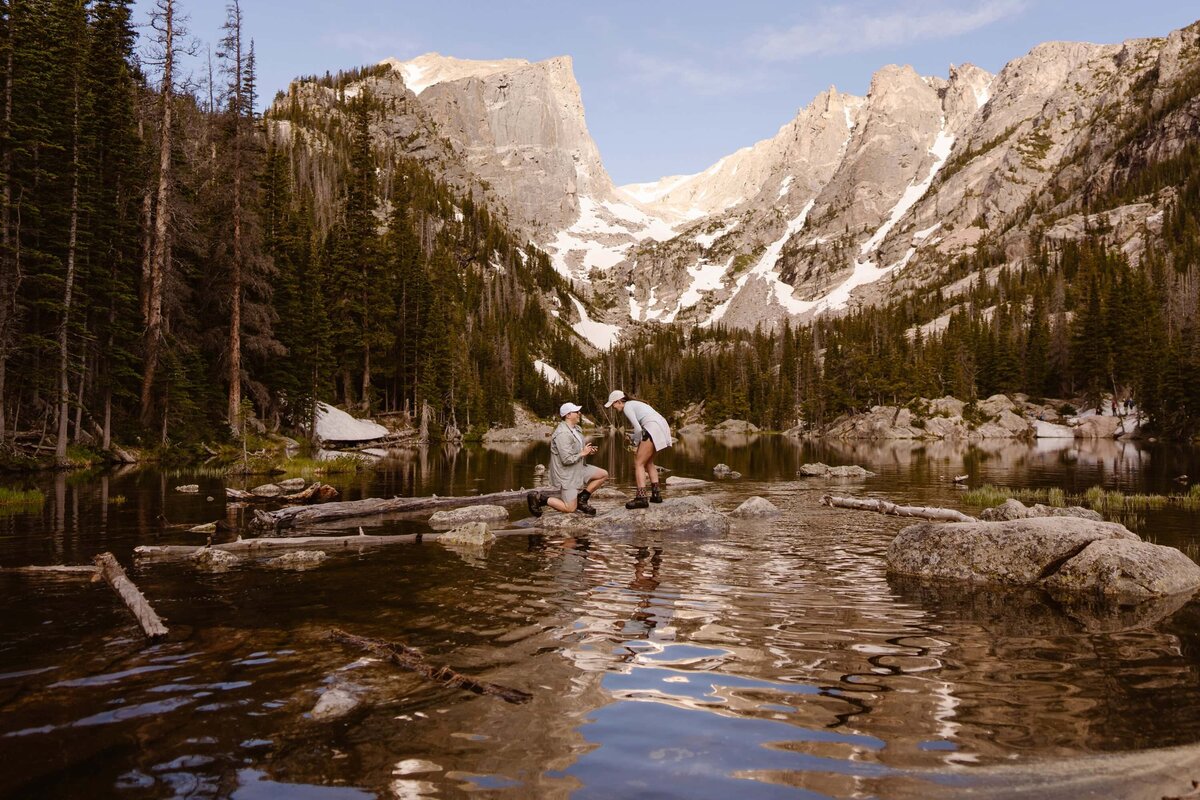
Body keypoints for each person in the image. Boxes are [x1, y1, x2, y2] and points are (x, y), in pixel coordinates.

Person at [527, 402, 608, 517]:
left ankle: (581, 500)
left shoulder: (577, 429)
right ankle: (540, 498)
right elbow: (566, 459)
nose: (579, 413)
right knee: (570, 508)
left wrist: (587, 452)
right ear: (568, 415)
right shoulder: (562, 434)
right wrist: (582, 453)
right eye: (576, 412)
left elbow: (577, 451)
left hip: (578, 469)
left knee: (603, 474)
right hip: (567, 474)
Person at [604, 390, 671, 509]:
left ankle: (641, 498)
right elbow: (639, 430)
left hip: (652, 427)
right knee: (649, 462)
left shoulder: (627, 407)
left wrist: (635, 443)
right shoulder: (634, 404)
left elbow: (638, 429)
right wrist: (634, 438)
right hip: (661, 426)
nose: (613, 408)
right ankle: (656, 495)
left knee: (639, 463)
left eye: (613, 404)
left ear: (619, 401)